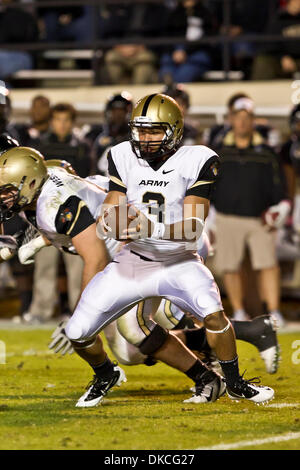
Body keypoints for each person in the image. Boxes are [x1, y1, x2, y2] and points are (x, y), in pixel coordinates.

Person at [65, 93, 275, 406]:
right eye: (140, 130)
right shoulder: (122, 154)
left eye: (154, 131)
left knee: (214, 316)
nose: (145, 139)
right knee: (77, 332)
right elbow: (111, 208)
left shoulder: (198, 159)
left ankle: (234, 383)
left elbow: (193, 227)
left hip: (180, 261)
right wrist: (110, 222)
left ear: (175, 130)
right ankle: (105, 373)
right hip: (132, 262)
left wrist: (151, 228)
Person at [0, 145, 232, 407]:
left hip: (152, 246)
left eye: (8, 191)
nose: (5, 198)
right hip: (131, 250)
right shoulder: (48, 184)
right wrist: (36, 242)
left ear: (31, 181)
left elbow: (95, 256)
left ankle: (208, 375)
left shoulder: (55, 204)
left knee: (139, 326)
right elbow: (76, 208)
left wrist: (81, 313)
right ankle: (214, 345)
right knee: (128, 352)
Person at [212, 97, 289, 327]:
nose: (242, 123)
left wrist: (281, 205)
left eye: (247, 118)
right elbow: (210, 185)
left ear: (253, 121)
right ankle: (239, 311)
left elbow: (279, 185)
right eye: (238, 118)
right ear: (231, 120)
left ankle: (274, 311)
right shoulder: (220, 152)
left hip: (259, 219)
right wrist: (211, 215)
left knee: (268, 266)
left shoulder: (267, 152)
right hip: (227, 218)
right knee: (230, 268)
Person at [92, 92, 133, 176]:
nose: (118, 115)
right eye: (115, 111)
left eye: (121, 111)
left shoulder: (135, 137)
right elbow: (93, 167)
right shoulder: (99, 136)